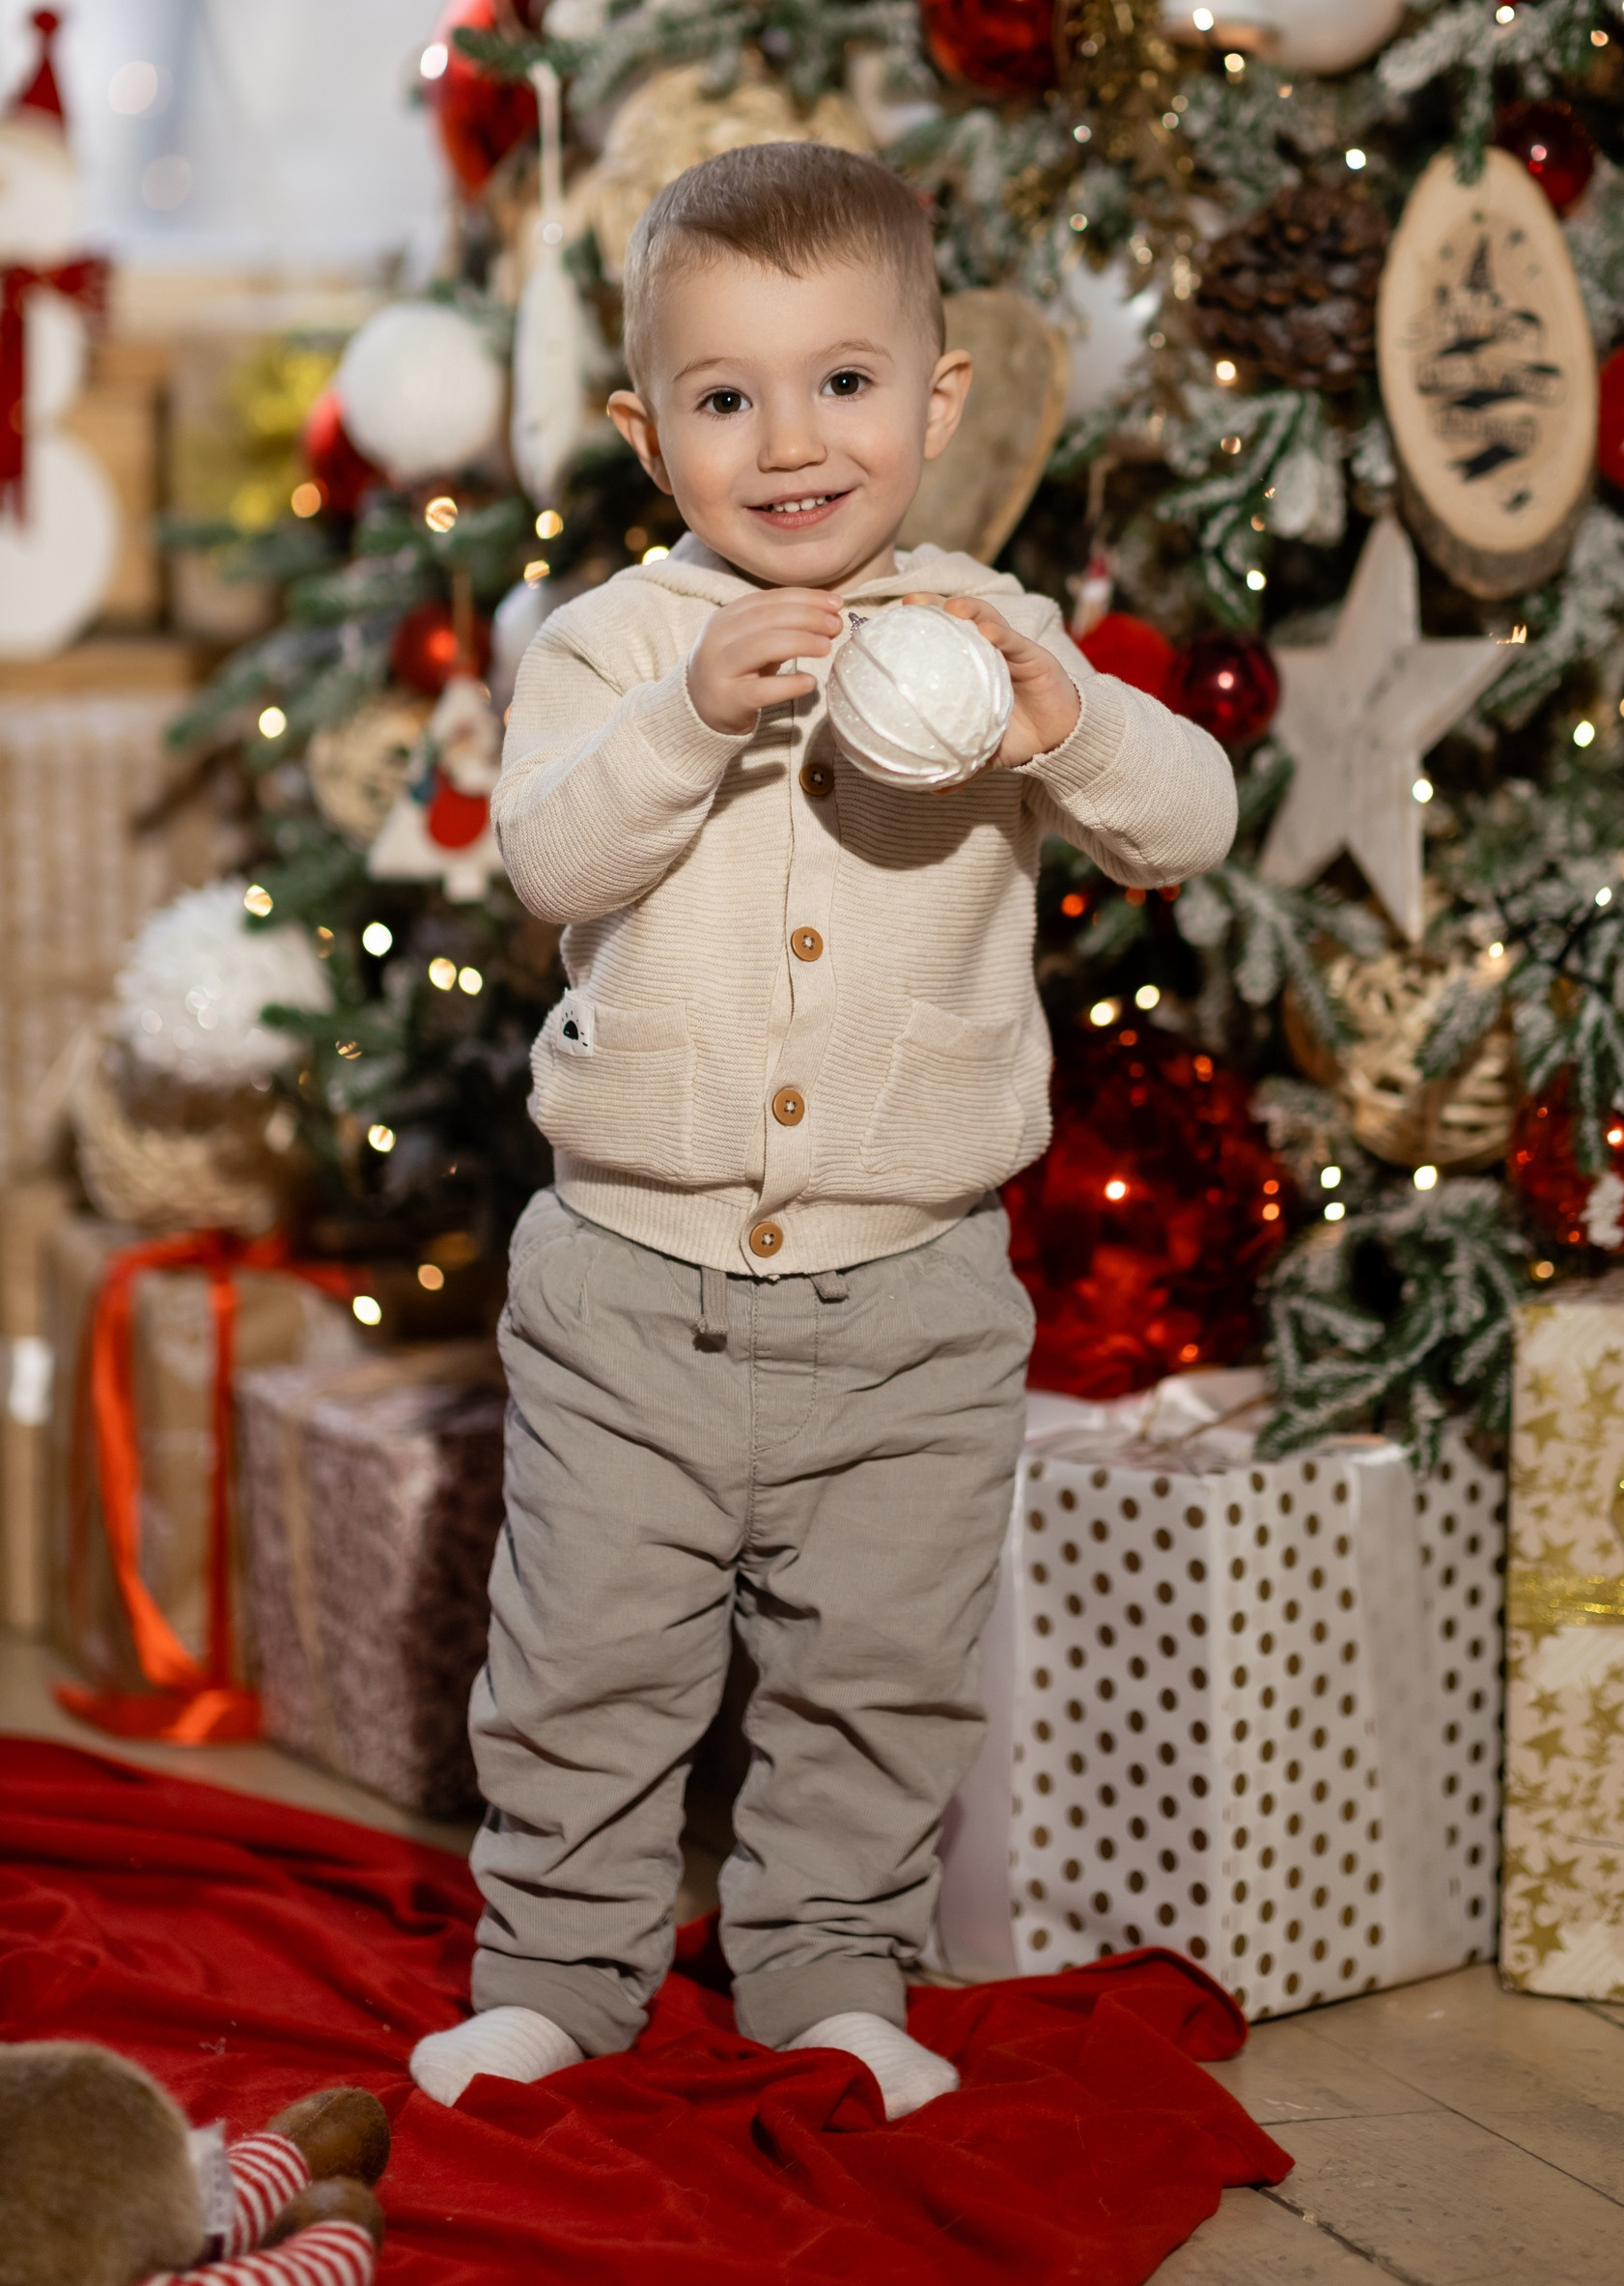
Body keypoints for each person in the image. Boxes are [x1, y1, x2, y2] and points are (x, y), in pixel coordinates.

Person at [410, 144, 1237, 2117]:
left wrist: (1066, 724)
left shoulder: (991, 631)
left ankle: (832, 1973)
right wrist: (691, 717)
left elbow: (1187, 823)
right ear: (650, 433)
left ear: (936, 403)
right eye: (726, 396)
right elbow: (548, 859)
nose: (790, 440)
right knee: (587, 1658)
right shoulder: (618, 644)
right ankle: (558, 1970)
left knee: (878, 1671)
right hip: (632, 1285)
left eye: (844, 382)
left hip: (915, 1296)